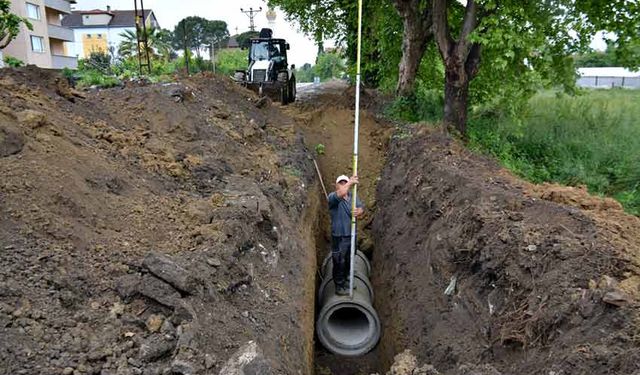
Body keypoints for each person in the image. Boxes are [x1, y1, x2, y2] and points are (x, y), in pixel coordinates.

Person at [327, 174, 364, 295]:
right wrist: (350, 183)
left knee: (350, 258)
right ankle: (339, 286)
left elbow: (361, 208)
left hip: (352, 234)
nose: (343, 185)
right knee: (339, 261)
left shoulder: (353, 197)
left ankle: (346, 278)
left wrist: (359, 211)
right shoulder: (333, 197)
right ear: (336, 185)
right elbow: (342, 192)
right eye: (341, 183)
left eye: (345, 182)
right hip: (339, 236)